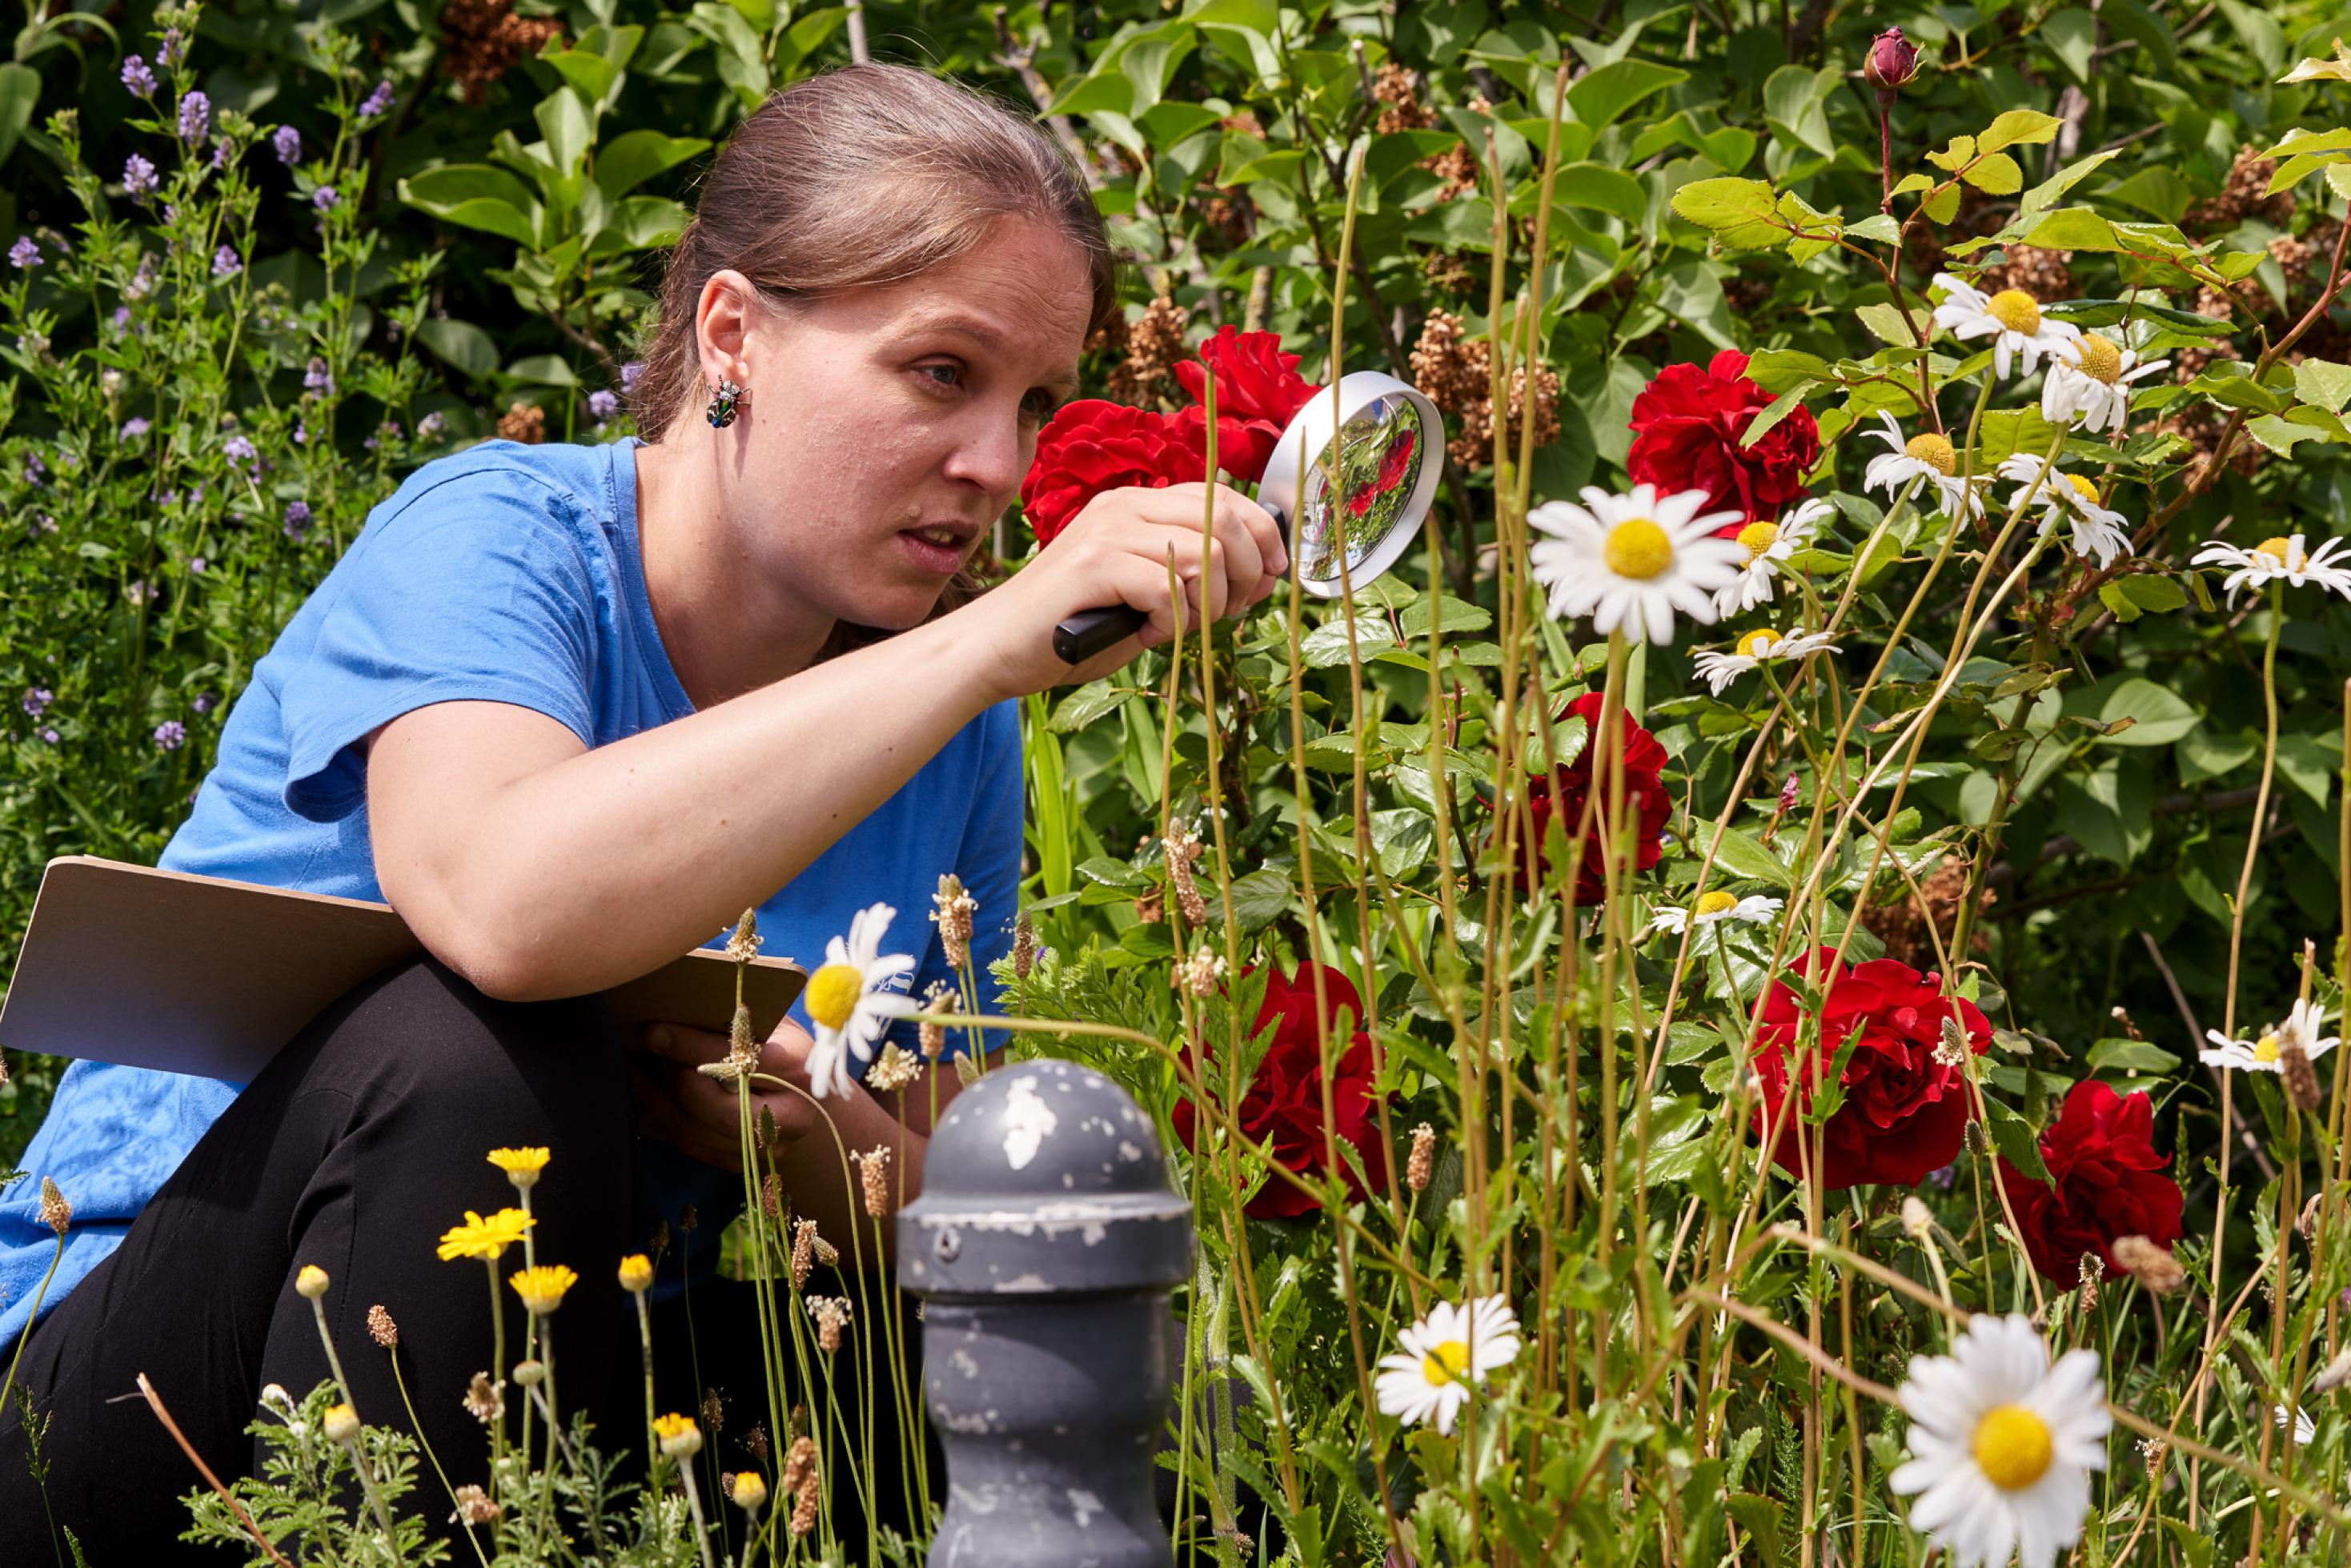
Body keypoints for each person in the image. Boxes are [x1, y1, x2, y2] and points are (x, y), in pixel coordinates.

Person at [0, 62, 1284, 1560]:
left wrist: (808, 1134)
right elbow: (500, 905)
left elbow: (943, 1212)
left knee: (1123, 1466)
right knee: (476, 1050)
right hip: (137, 1396)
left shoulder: (938, 713)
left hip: (574, 1381)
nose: (996, 467)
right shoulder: (497, 536)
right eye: (943, 372)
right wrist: (978, 650)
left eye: (1033, 403)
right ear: (732, 333)